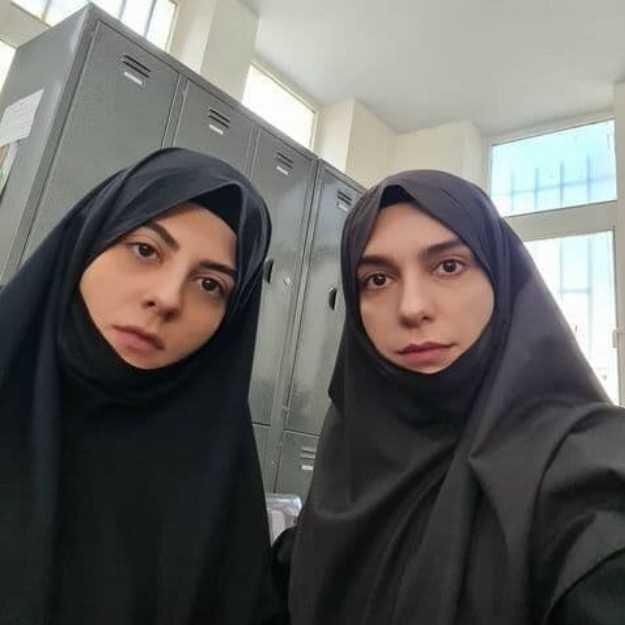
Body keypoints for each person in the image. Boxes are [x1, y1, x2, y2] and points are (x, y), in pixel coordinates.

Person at [279, 170, 625, 624]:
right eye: (378, 279)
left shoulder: (582, 478)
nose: (412, 307)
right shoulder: (345, 470)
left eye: (448, 266)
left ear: (500, 279)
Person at [0, 148, 277, 624]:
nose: (167, 298)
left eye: (210, 285)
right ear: (89, 239)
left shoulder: (219, 485)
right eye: (145, 250)